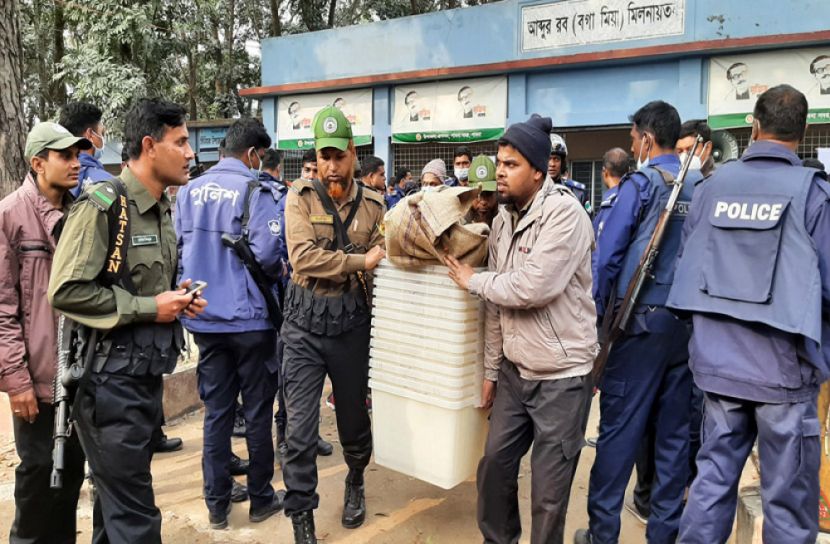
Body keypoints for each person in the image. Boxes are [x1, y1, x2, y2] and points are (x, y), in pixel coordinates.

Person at [668, 85, 830, 544]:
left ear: (754, 126)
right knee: (787, 504)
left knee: (711, 485)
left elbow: (689, 266)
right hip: (783, 375)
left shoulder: (711, 187)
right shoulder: (813, 195)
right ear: (803, 131)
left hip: (718, 370)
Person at [48, 98, 207, 543]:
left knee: (115, 516)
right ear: (149, 146)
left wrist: (176, 301)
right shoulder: (103, 203)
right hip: (108, 387)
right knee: (136, 523)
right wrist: (150, 308)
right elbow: (65, 290)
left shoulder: (160, 209)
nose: (190, 152)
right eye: (181, 142)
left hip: (140, 383)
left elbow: (142, 287)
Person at [445, 114, 596, 544]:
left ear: (536, 169)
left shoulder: (564, 215)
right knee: (493, 467)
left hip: (560, 378)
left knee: (548, 495)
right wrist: (491, 372)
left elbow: (533, 287)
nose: (500, 173)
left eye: (510, 164)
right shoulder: (504, 221)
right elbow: (496, 305)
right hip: (515, 371)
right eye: (498, 162)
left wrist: (472, 280)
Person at [575, 100, 702, 544]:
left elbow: (606, 260)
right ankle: (663, 534)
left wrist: (598, 322)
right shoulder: (701, 185)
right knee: (672, 440)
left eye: (633, 139)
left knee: (619, 435)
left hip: (639, 328)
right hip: (686, 330)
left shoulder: (641, 184)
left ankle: (602, 534)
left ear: (647, 138)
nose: (633, 147)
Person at [281, 105, 386, 543]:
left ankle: (355, 479)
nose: (330, 166)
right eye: (323, 156)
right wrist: (361, 259)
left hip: (350, 326)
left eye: (338, 156)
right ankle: (302, 516)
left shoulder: (376, 206)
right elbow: (301, 257)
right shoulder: (299, 197)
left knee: (352, 424)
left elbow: (390, 259)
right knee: (300, 431)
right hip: (304, 327)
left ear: (353, 153)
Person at [176, 118, 286, 530]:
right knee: (257, 412)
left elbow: (180, 252)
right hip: (251, 321)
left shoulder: (187, 191)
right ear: (254, 154)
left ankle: (217, 505)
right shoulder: (257, 189)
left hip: (204, 319)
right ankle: (260, 497)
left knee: (217, 413)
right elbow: (270, 255)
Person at [0, 123, 90, 544]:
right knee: (37, 477)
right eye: (65, 156)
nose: (76, 164)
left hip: (78, 376)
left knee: (69, 476)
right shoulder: (9, 215)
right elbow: (3, 308)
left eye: (78, 155)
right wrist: (16, 380)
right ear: (38, 163)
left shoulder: (82, 211)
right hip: (35, 380)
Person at [59, 101, 111, 198]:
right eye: (102, 133)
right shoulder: (107, 184)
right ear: (90, 134)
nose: (103, 139)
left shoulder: (52, 181)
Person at [548, 133, 591, 213]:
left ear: (562, 163)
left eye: (556, 159)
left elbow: (588, 222)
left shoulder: (578, 192)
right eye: (548, 159)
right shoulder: (531, 191)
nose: (552, 164)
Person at [465, 154, 499, 227]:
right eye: (478, 194)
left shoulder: (508, 225)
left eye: (488, 194)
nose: (483, 202)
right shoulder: (459, 226)